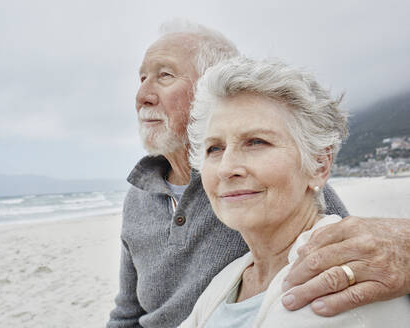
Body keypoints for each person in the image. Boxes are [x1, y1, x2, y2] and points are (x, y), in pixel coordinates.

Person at [107, 20, 410, 328]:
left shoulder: (281, 186)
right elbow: (127, 314)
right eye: (214, 148)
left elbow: (347, 246)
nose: (141, 95)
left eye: (165, 76)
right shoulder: (140, 198)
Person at [179, 56, 410, 327]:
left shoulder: (333, 280)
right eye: (214, 148)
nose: (226, 168)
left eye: (256, 142)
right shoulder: (233, 277)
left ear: (319, 166)